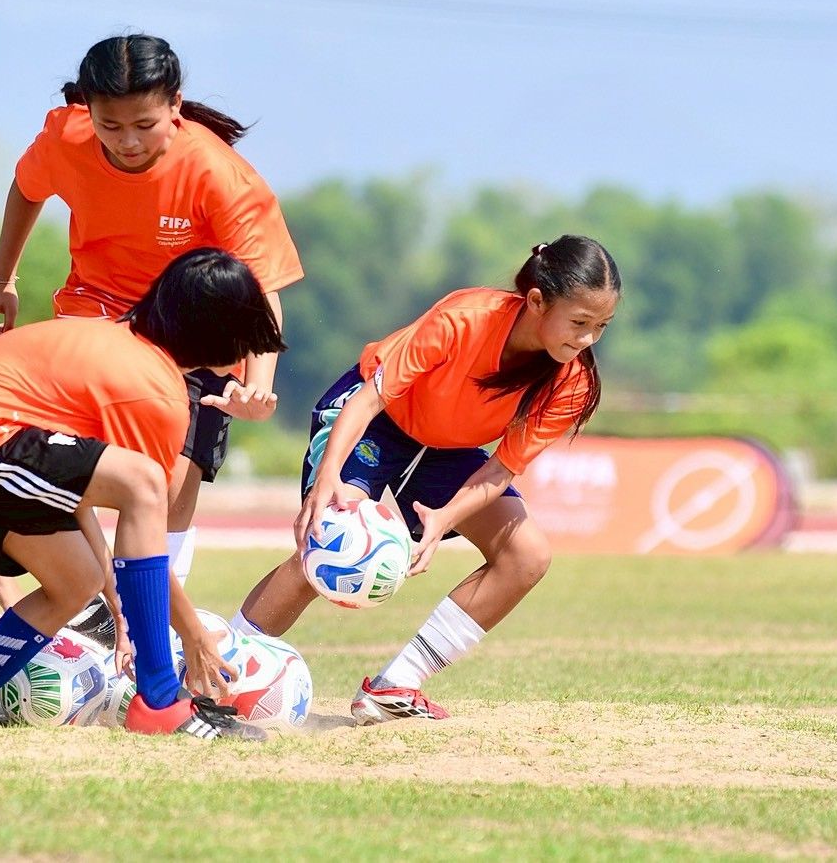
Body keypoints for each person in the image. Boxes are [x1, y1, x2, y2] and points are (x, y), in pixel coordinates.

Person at [233, 235, 621, 724]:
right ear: (538, 301)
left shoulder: (573, 382)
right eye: (580, 323)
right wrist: (328, 476)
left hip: (445, 449)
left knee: (528, 556)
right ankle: (220, 670)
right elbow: (369, 400)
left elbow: (500, 468)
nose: (588, 339)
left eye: (601, 326)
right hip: (377, 420)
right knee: (332, 541)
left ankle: (396, 684)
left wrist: (443, 518)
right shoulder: (466, 318)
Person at [0, 248, 285, 738]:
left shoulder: (124, 349)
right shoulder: (153, 389)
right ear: (217, 332)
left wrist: (120, 608)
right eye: (248, 337)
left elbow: (77, 492)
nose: (247, 356)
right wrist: (193, 634)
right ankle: (160, 700)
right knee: (145, 482)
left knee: (76, 581)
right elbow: (143, 515)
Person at [0, 33, 304, 598]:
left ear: (175, 105)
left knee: (171, 479)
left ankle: (154, 620)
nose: (127, 142)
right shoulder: (66, 137)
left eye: (144, 125)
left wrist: (258, 383)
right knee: (56, 454)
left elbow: (261, 287)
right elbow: (27, 189)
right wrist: (2, 282)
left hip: (192, 331)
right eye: (111, 126)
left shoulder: (218, 174)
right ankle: (87, 603)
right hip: (96, 313)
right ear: (88, 111)